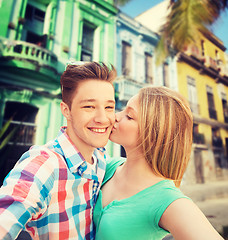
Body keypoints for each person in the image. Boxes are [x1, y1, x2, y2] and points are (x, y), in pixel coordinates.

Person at [0, 62, 116, 240]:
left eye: (109, 107)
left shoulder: (100, 159)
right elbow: (9, 210)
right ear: (66, 110)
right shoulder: (45, 163)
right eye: (89, 106)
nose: (103, 118)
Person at [93, 86, 224, 240]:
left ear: (154, 135)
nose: (115, 116)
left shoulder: (167, 200)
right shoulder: (107, 167)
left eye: (129, 116)